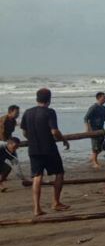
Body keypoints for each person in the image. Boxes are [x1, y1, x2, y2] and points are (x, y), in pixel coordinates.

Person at [20, 88, 70, 216]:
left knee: (37, 176)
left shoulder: (28, 112)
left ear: (37, 98)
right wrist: (63, 139)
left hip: (33, 148)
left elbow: (24, 131)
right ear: (49, 99)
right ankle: (56, 202)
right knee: (59, 173)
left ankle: (37, 208)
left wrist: (31, 139)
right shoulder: (49, 112)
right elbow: (54, 131)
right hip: (48, 147)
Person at [84, 92, 105, 169]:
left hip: (101, 128)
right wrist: (88, 129)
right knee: (95, 146)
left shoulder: (103, 107)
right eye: (103, 98)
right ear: (99, 98)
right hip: (94, 128)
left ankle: (92, 158)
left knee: (102, 145)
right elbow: (86, 118)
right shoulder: (93, 107)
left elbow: (102, 118)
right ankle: (94, 162)